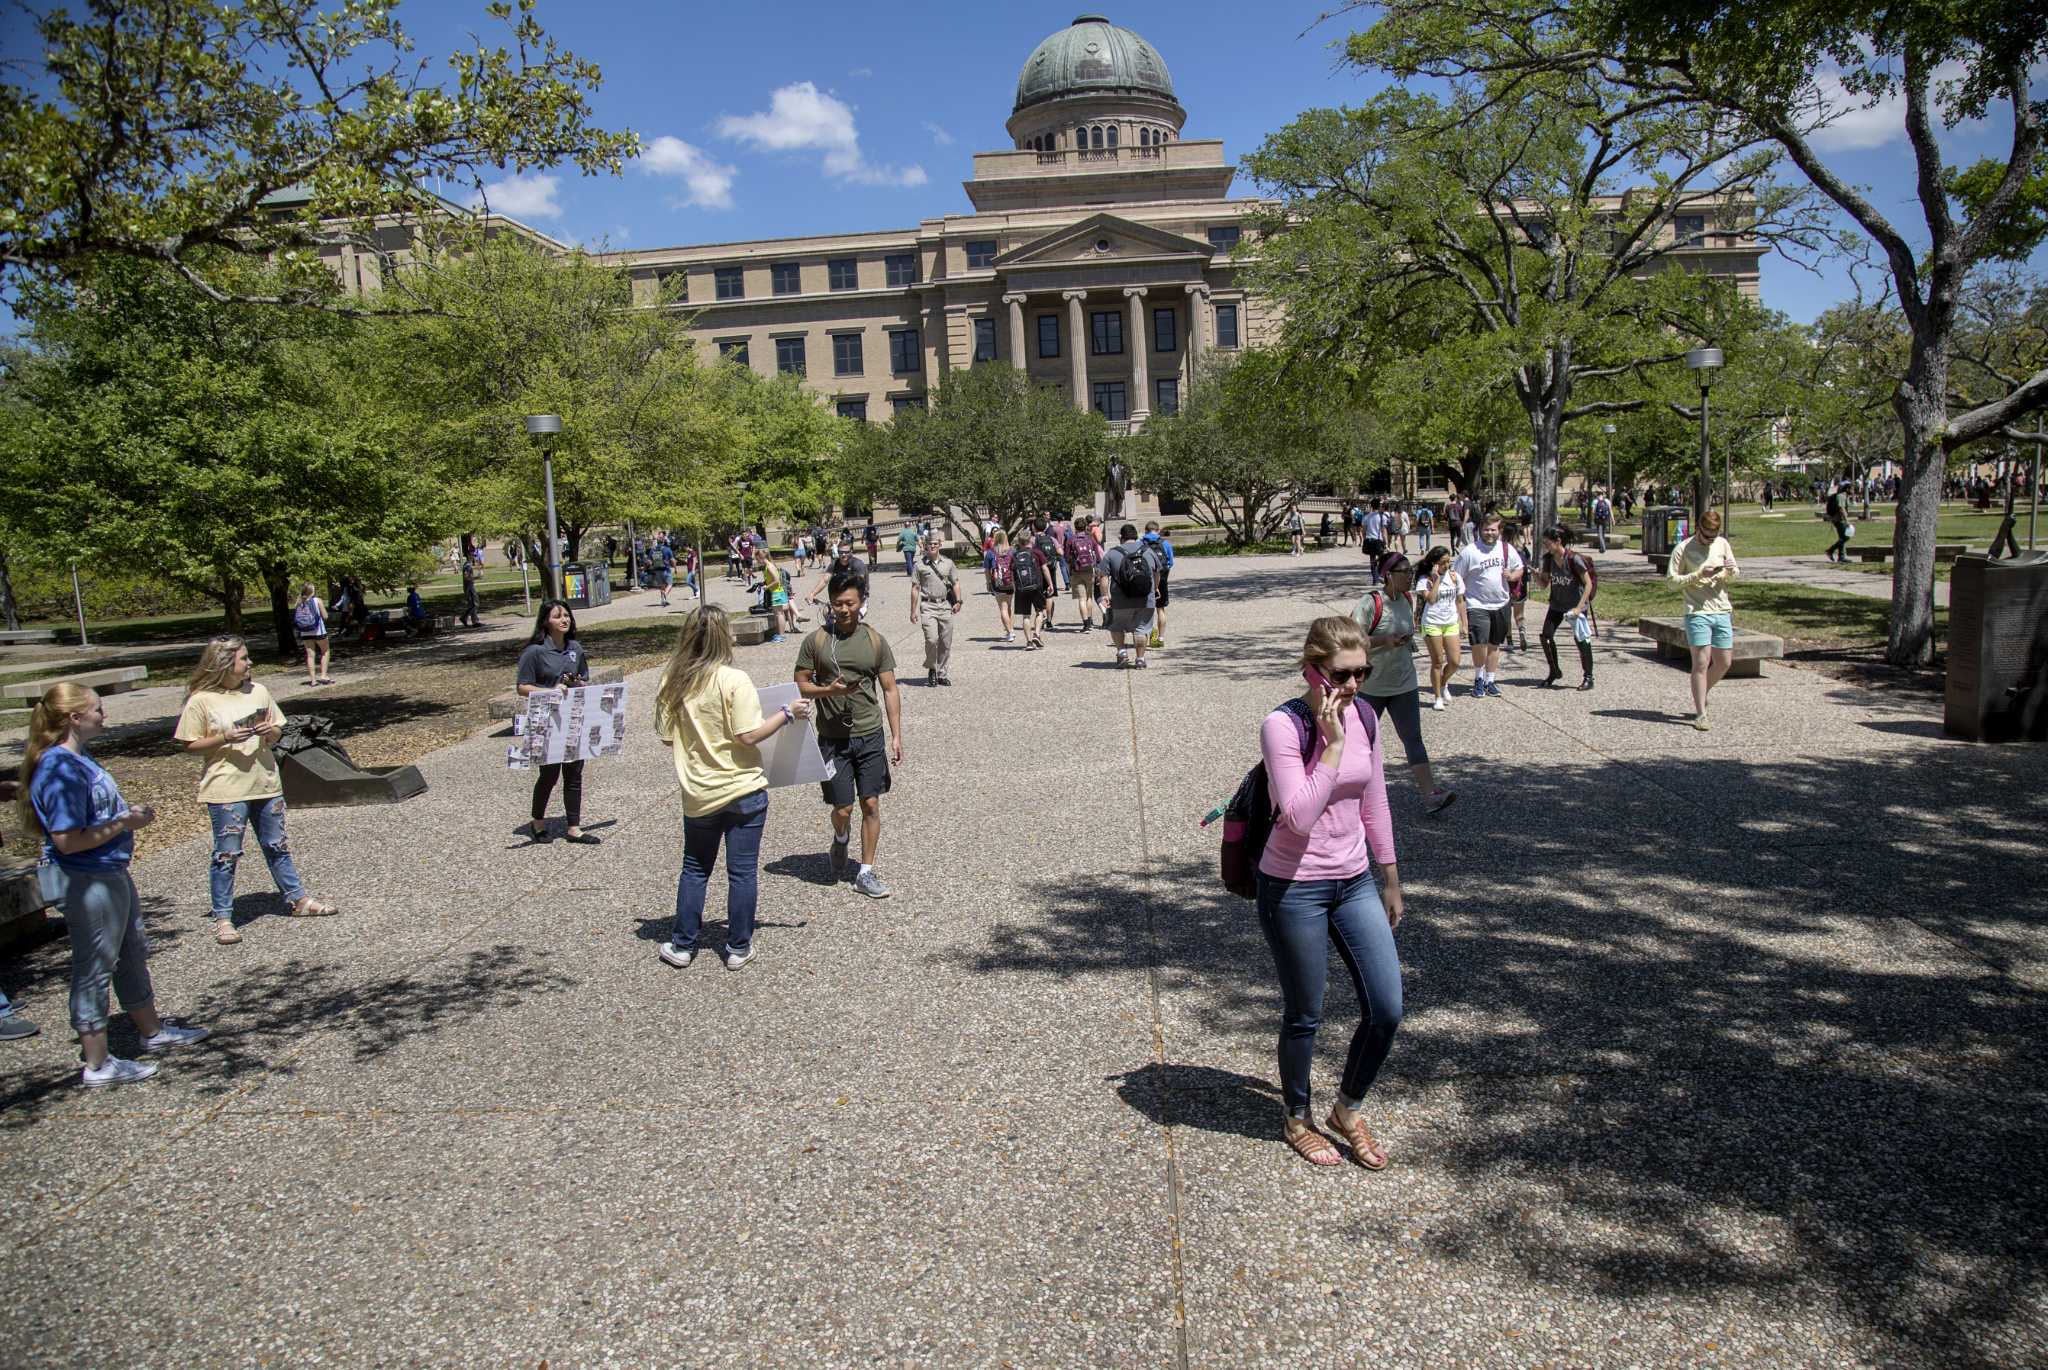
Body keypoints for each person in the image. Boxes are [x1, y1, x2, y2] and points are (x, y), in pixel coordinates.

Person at [1256, 616, 1405, 1169]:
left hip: (1354, 880)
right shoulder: (1282, 725)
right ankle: (1297, 1116)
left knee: (1386, 1007)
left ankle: (1348, 1107)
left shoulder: (1366, 714)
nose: (1354, 686)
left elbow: (1375, 800)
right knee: (1305, 1012)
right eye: (1342, 675)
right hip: (1294, 887)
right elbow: (1297, 816)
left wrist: (1389, 876)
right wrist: (1334, 744)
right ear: (1311, 670)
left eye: (1362, 672)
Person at [24, 684, 211, 1085]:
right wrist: (124, 823)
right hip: (86, 880)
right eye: (97, 709)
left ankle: (152, 1032)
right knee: (95, 965)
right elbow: (68, 841)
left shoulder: (78, 758)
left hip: (108, 872)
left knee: (131, 950)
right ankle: (97, 1064)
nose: (104, 715)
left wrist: (122, 819)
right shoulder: (59, 768)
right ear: (74, 718)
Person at [652, 607, 813, 972]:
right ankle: (738, 946)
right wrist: (786, 713)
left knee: (694, 869)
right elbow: (748, 735)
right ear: (724, 636)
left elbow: (666, 738)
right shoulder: (734, 680)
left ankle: (682, 944)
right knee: (742, 872)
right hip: (743, 790)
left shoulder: (672, 680)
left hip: (699, 792)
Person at [174, 636, 337, 944]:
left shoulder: (259, 691)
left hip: (265, 783)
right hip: (226, 788)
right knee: (227, 853)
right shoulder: (201, 700)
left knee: (277, 845)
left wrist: (269, 731)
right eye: (244, 659)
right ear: (224, 664)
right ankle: (223, 917)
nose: (250, 664)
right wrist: (224, 737)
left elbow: (277, 731)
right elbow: (189, 745)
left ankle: (297, 900)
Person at [795, 572, 903, 899]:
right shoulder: (815, 641)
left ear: (861, 604)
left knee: (870, 803)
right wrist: (827, 690)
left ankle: (865, 873)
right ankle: (840, 837)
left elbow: (889, 688)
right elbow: (800, 683)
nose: (843, 610)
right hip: (832, 738)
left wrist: (896, 736)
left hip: (869, 734)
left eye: (849, 603)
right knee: (843, 808)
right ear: (830, 603)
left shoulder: (874, 640)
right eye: (837, 603)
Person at [1356, 555, 1455, 816]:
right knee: (1360, 742)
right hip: (1371, 688)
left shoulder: (1408, 600)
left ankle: (1431, 794)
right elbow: (1350, 640)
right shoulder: (1371, 603)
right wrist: (1383, 640)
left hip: (1404, 683)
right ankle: (1351, 797)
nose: (1410, 576)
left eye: (1411, 571)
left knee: (1413, 739)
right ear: (1388, 574)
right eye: (1404, 571)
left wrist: (1406, 640)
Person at [516, 600, 602, 844]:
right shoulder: (534, 652)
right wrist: (550, 691)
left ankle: (574, 827)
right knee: (549, 774)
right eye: (557, 616)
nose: (564, 620)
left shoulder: (575, 647)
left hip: (574, 717)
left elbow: (583, 677)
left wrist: (581, 684)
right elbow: (522, 687)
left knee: (574, 773)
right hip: (548, 719)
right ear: (546, 621)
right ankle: (538, 823)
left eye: (567, 615)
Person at [1668, 509, 1740, 730]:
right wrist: (1699, 574)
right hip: (1696, 611)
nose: (1710, 540)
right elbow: (1671, 582)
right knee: (1700, 662)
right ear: (1698, 528)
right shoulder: (1683, 548)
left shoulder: (1722, 544)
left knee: (1724, 662)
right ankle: (1701, 713)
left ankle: (1701, 691)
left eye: (1714, 536)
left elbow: (1735, 571)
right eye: (1706, 536)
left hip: (1721, 609)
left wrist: (1725, 573)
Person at [1451, 513, 1523, 698]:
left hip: (1501, 603)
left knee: (1494, 644)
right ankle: (1478, 678)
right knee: (1479, 643)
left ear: (1499, 530)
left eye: (1493, 529)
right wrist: (1458, 605)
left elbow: (1519, 568)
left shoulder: (1506, 549)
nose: (1489, 533)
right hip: (1477, 604)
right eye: (1486, 529)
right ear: (1480, 530)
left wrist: (1513, 576)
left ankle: (1491, 680)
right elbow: (1456, 577)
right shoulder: (1470, 551)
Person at [1536, 527, 1599, 691]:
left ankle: (1588, 677)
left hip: (1575, 606)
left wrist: (1579, 608)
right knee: (1546, 636)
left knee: (1581, 640)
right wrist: (1536, 575)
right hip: (1557, 604)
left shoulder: (1574, 559)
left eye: (1547, 543)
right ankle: (1554, 671)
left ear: (1558, 542)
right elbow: (1544, 585)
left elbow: (1588, 584)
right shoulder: (1548, 560)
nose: (1545, 546)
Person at [1099, 522, 1162, 669]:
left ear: (1121, 537)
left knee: (1117, 626)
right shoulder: (1148, 551)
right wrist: (1156, 588)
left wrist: (1105, 595)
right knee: (1142, 629)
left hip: (1121, 599)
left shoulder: (1112, 553)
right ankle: (1140, 659)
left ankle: (1122, 653)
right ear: (1136, 536)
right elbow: (1157, 572)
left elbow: (1103, 577)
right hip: (1145, 598)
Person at [1415, 546, 1467, 709]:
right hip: (1432, 623)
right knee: (1437, 662)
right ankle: (1437, 697)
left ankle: (1443, 683)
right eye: (1443, 563)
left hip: (1450, 622)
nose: (1447, 565)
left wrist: (1464, 623)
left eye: (1448, 562)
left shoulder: (1455, 577)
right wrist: (1437, 578)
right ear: (1434, 563)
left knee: (1455, 662)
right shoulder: (1425, 580)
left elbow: (1460, 600)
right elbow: (1430, 599)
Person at [910, 532, 962, 686]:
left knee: (946, 642)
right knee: (932, 639)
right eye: (929, 544)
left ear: (939, 545)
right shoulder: (919, 565)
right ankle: (932, 668)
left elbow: (955, 582)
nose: (932, 546)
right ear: (925, 546)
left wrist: (958, 601)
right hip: (928, 606)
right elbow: (915, 588)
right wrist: (913, 611)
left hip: (945, 605)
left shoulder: (948, 563)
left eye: (935, 544)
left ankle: (941, 673)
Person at [1009, 527, 1051, 649]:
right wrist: (1050, 584)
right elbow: (1044, 569)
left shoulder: (1015, 555)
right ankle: (1036, 634)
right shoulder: (1037, 553)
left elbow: (1012, 574)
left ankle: (1028, 643)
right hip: (1036, 586)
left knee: (1026, 616)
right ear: (1030, 540)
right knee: (1039, 611)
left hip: (1021, 588)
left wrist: (1014, 587)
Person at [1142, 521, 1176, 650]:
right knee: (1160, 609)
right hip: (1161, 579)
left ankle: (1149, 635)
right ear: (1158, 530)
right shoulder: (1165, 544)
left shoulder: (1141, 543)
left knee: (1146, 610)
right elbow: (1170, 562)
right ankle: (1161, 638)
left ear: (1146, 530)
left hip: (1146, 579)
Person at [292, 583, 333, 685]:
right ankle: (323, 675)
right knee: (325, 651)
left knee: (310, 655)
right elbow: (325, 616)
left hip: (305, 632)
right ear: (312, 591)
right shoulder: (317, 600)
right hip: (318, 630)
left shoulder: (298, 602)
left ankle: (313, 680)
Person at [1503, 523, 1533, 652]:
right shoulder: (1522, 549)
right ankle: (1521, 631)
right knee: (1519, 614)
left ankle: (1509, 639)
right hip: (1519, 586)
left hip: (1505, 585)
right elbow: (1526, 567)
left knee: (1506, 615)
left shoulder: (1502, 549)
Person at [987, 528, 1018, 643]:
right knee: (1009, 606)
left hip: (998, 583)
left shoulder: (991, 552)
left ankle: (1010, 632)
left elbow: (987, 569)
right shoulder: (1012, 551)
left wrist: (988, 582)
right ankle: (1010, 628)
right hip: (1010, 582)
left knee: (1003, 608)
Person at [1824, 484, 1852, 562]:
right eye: (1852, 489)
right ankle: (1830, 550)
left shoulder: (1844, 496)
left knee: (1842, 537)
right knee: (1846, 537)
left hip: (1840, 519)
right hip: (1839, 520)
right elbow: (1841, 508)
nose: (1853, 491)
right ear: (1847, 489)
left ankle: (1841, 557)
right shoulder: (1841, 496)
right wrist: (1847, 521)